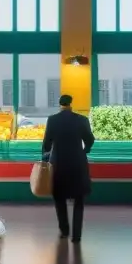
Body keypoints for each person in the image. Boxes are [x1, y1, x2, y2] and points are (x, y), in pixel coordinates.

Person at [42, 94, 95, 242]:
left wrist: (45, 158)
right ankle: (76, 236)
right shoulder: (81, 120)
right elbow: (90, 139)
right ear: (71, 104)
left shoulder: (52, 120)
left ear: (59, 104)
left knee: (59, 198)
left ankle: (64, 231)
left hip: (58, 164)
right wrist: (85, 151)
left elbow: (46, 143)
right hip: (77, 164)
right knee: (79, 200)